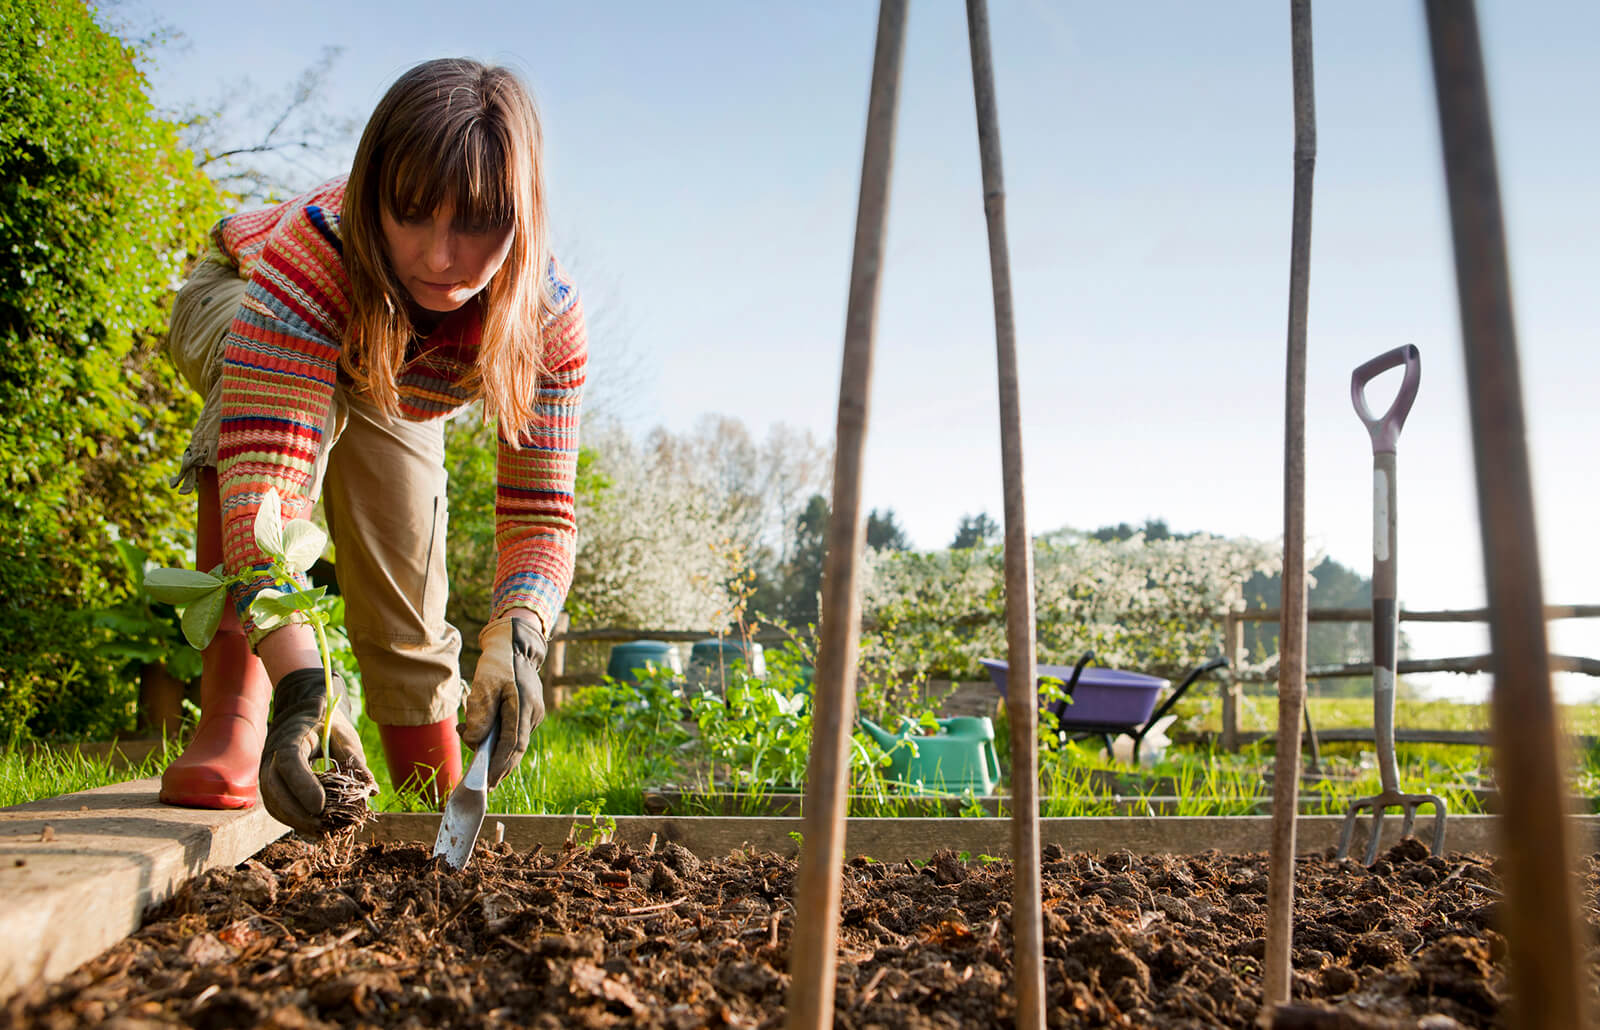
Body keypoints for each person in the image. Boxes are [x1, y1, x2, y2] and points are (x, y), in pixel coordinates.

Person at [157, 57, 586, 834]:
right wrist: (303, 688)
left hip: (391, 372)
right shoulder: (313, 251)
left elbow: (539, 517)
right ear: (374, 192)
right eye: (412, 214)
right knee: (270, 431)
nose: (440, 257)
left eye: (477, 222)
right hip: (242, 292)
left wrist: (518, 636)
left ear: (521, 214)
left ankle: (430, 784)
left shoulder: (546, 319)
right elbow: (264, 487)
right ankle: (236, 712)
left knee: (407, 552)